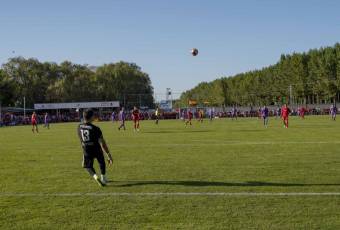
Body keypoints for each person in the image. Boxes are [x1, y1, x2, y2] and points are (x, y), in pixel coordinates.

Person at [77, 109, 113, 187]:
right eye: (93, 115)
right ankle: (103, 177)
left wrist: (84, 150)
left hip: (86, 149)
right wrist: (108, 154)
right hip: (96, 148)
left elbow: (81, 140)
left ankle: (96, 177)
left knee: (88, 166)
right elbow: (102, 143)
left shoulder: (79, 127)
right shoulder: (96, 128)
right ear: (91, 117)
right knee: (101, 161)